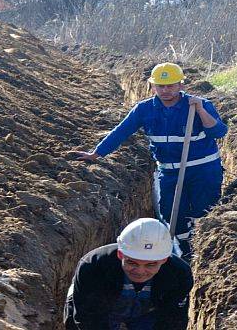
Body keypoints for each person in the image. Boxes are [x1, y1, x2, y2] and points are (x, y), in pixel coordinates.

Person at [70, 62, 227, 258]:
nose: (165, 90)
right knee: (171, 213)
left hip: (203, 170)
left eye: (170, 86)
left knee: (202, 212)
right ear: (152, 86)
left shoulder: (199, 105)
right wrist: (97, 153)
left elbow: (219, 131)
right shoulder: (144, 110)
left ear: (181, 85)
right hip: (170, 172)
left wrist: (201, 111)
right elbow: (121, 132)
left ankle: (203, 254)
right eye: (161, 86)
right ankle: (186, 252)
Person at [64, 218, 193, 329]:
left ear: (163, 260)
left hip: (148, 311)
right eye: (132, 263)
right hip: (102, 310)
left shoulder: (179, 275)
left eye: (150, 264)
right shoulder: (93, 267)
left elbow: (173, 320)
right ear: (121, 254)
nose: (140, 271)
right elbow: (88, 318)